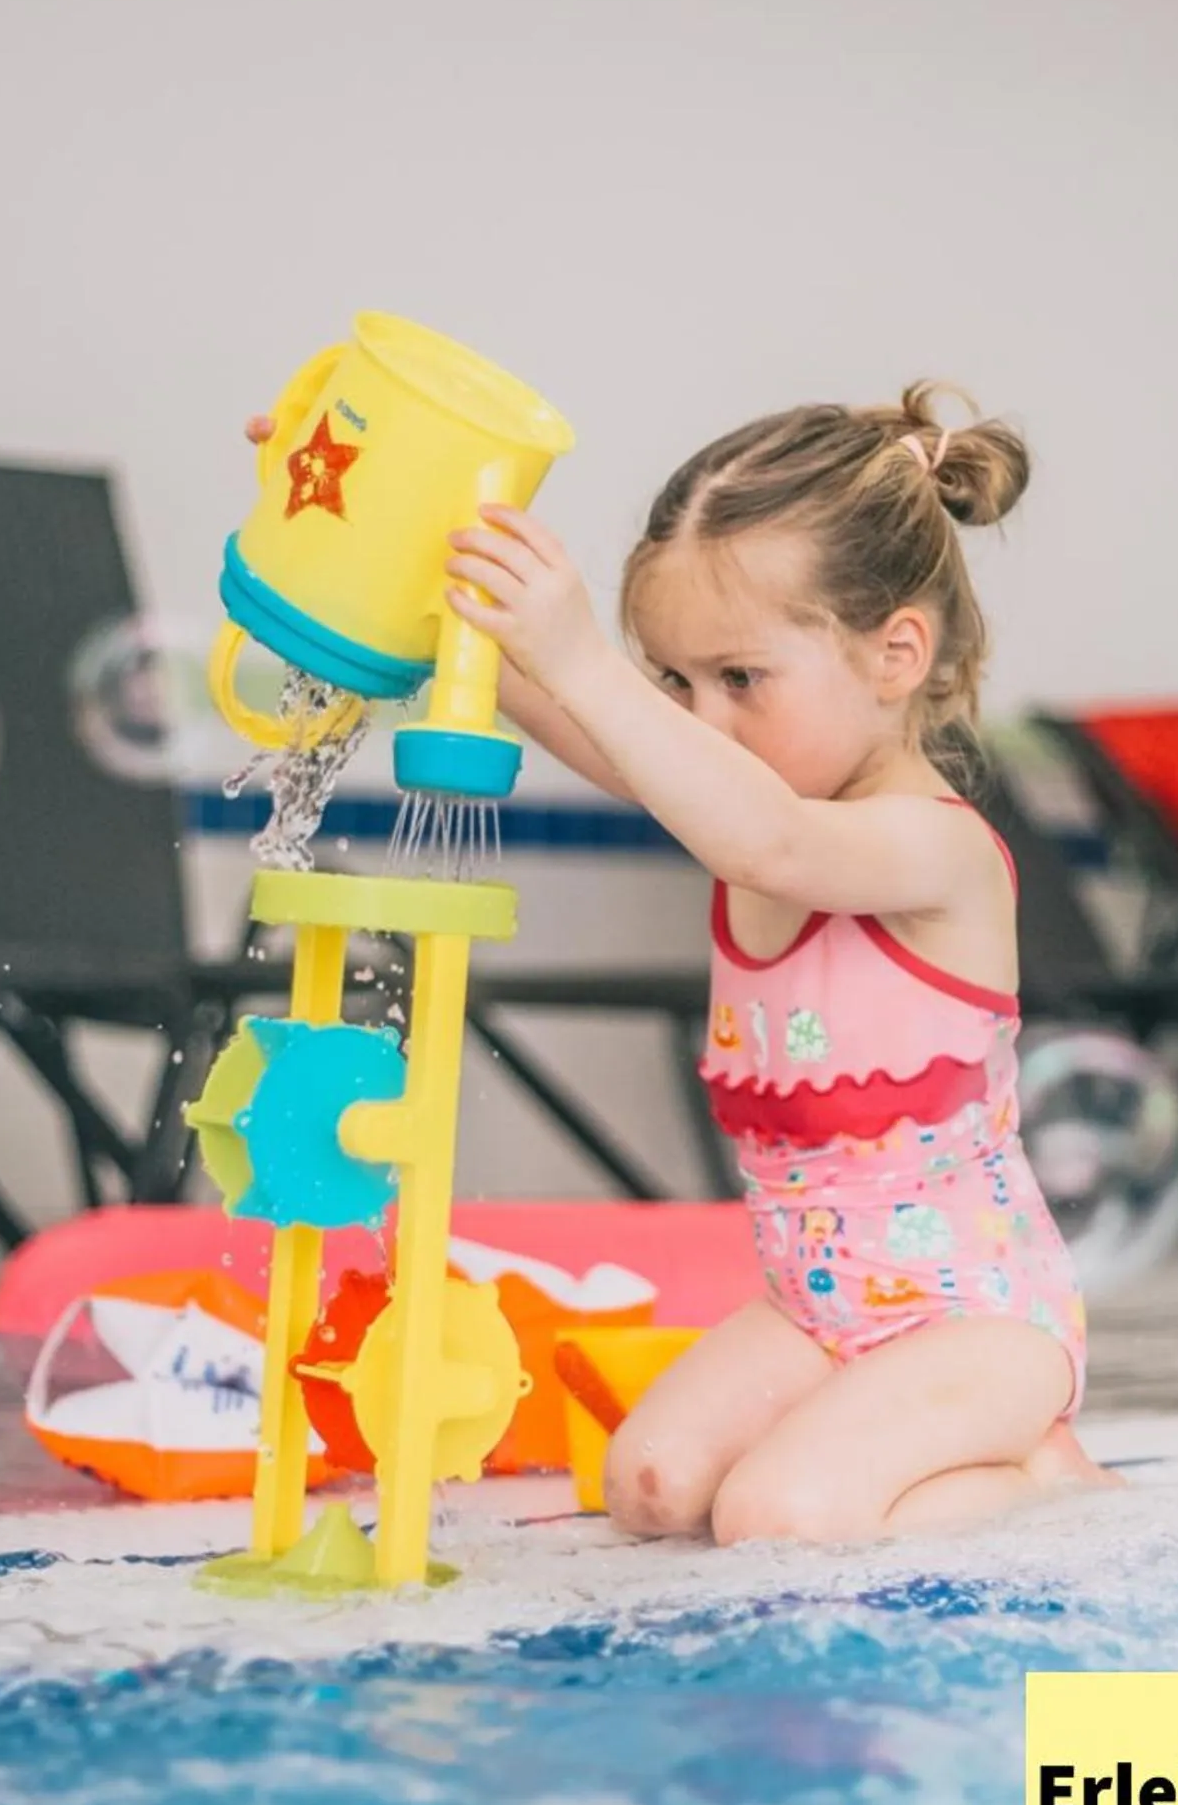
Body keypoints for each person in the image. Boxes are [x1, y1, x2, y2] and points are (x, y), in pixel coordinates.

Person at [249, 387, 1116, 1543]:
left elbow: (761, 837)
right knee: (648, 1486)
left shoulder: (926, 847)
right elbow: (576, 718)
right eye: (673, 685)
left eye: (740, 680)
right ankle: (895, 1453)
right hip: (815, 1312)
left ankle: (1037, 1473)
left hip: (981, 1328)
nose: (700, 724)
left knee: (777, 1515)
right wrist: (374, 549)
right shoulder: (740, 791)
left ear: (895, 654)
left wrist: (585, 657)